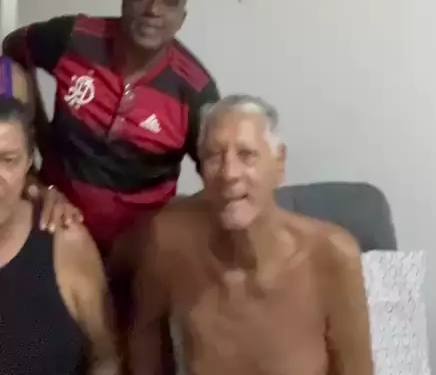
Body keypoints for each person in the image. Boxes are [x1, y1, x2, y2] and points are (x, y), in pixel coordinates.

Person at [130, 95, 374, 375]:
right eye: (213, 156)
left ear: (279, 163)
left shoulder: (332, 255)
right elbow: (143, 343)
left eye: (246, 155)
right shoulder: (169, 241)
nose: (229, 173)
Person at [3, 0, 220, 257]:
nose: (153, 9)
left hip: (137, 252)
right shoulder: (75, 38)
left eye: (168, 2)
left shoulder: (195, 91)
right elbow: (14, 48)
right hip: (57, 226)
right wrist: (37, 134)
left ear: (181, 19)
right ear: (124, 3)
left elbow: (219, 177)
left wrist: (174, 225)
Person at [0, 57, 119, 375]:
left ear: (28, 164)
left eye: (8, 160)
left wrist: (44, 191)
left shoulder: (65, 240)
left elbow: (106, 356)